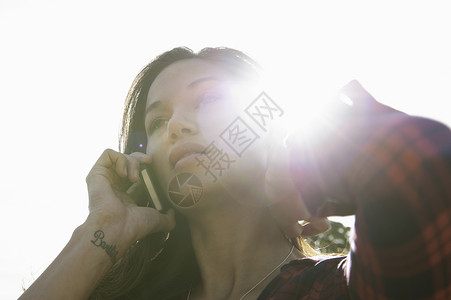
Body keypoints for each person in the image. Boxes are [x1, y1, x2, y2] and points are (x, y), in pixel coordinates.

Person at [19, 47, 451, 300]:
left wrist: (304, 167)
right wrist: (102, 234)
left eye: (208, 100)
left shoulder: (335, 289)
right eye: (155, 122)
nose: (175, 127)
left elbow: (421, 167)